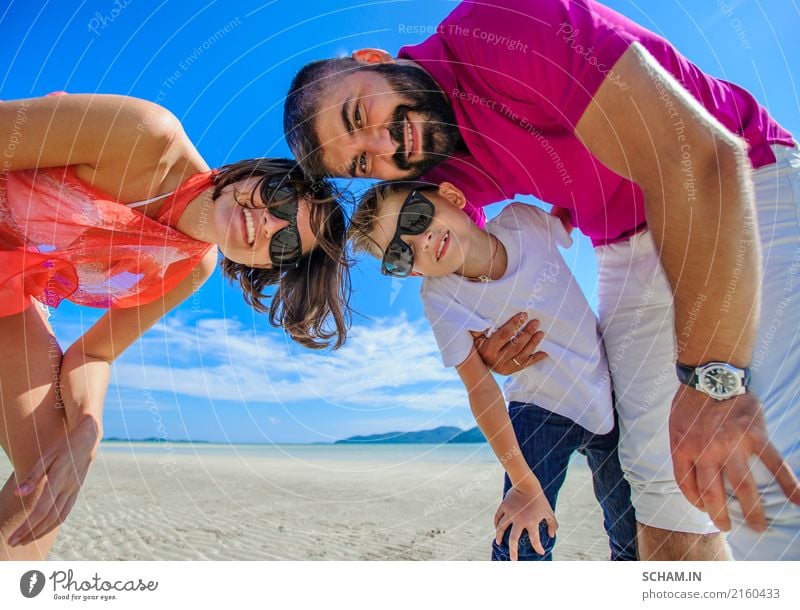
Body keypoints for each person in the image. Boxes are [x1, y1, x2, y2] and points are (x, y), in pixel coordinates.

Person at [283, 0, 800, 559]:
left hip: (741, 189)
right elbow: (467, 254)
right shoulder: (438, 172)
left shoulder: (500, 25)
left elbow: (700, 158)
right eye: (362, 164)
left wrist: (712, 383)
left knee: (771, 492)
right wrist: (492, 347)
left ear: (373, 59)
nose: (386, 147)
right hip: (623, 250)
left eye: (360, 117)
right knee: (666, 509)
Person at [0, 93, 351, 560]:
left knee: (48, 472)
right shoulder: (146, 134)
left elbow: (94, 354)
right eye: (282, 199)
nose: (268, 225)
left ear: (265, 266)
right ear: (256, 173)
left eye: (286, 244)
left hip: (10, 290)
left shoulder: (191, 266)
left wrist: (89, 425)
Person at [348, 179, 638, 561]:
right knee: (520, 542)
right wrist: (523, 483)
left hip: (610, 399)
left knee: (632, 536)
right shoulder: (440, 296)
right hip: (540, 411)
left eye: (415, 218)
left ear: (452, 196)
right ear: (412, 271)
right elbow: (481, 390)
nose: (419, 242)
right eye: (400, 253)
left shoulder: (522, 220)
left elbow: (571, 208)